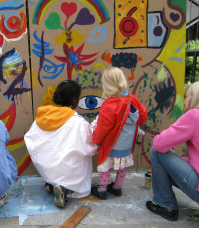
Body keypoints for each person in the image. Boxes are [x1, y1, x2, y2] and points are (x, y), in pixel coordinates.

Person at [24, 80, 98, 208]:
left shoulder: (43, 116)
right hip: (67, 170)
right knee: (81, 158)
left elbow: (31, 138)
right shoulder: (78, 122)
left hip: (46, 169)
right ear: (75, 100)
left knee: (59, 158)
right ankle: (65, 190)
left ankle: (52, 183)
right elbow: (90, 147)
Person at [146, 82, 199, 221]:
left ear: (195, 98)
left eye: (186, 96)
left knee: (157, 152)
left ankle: (165, 204)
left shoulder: (194, 115)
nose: (184, 100)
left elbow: (159, 144)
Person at [91, 67, 147, 200]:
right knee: (122, 167)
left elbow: (103, 128)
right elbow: (142, 117)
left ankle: (102, 190)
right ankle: (117, 188)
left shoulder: (109, 104)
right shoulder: (133, 99)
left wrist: (96, 139)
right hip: (127, 145)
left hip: (112, 145)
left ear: (107, 85)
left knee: (106, 167)